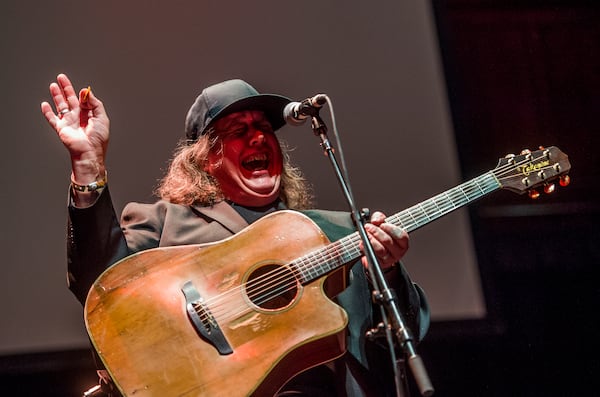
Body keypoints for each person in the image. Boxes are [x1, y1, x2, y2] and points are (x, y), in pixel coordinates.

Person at [41, 73, 430, 397]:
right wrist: (88, 167)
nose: (259, 138)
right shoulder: (162, 223)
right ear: (207, 157)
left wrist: (389, 273)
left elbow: (400, 338)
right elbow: (102, 290)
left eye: (263, 128)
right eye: (239, 131)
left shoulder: (341, 231)